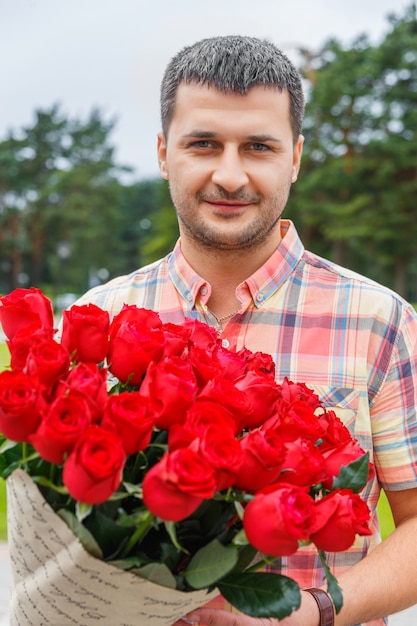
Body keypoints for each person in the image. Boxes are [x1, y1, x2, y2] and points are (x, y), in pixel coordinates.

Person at [76, 36, 417, 626]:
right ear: (163, 153)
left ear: (296, 157)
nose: (229, 176)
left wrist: (316, 612)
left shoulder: (380, 322)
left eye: (258, 147)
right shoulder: (100, 319)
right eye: (203, 144)